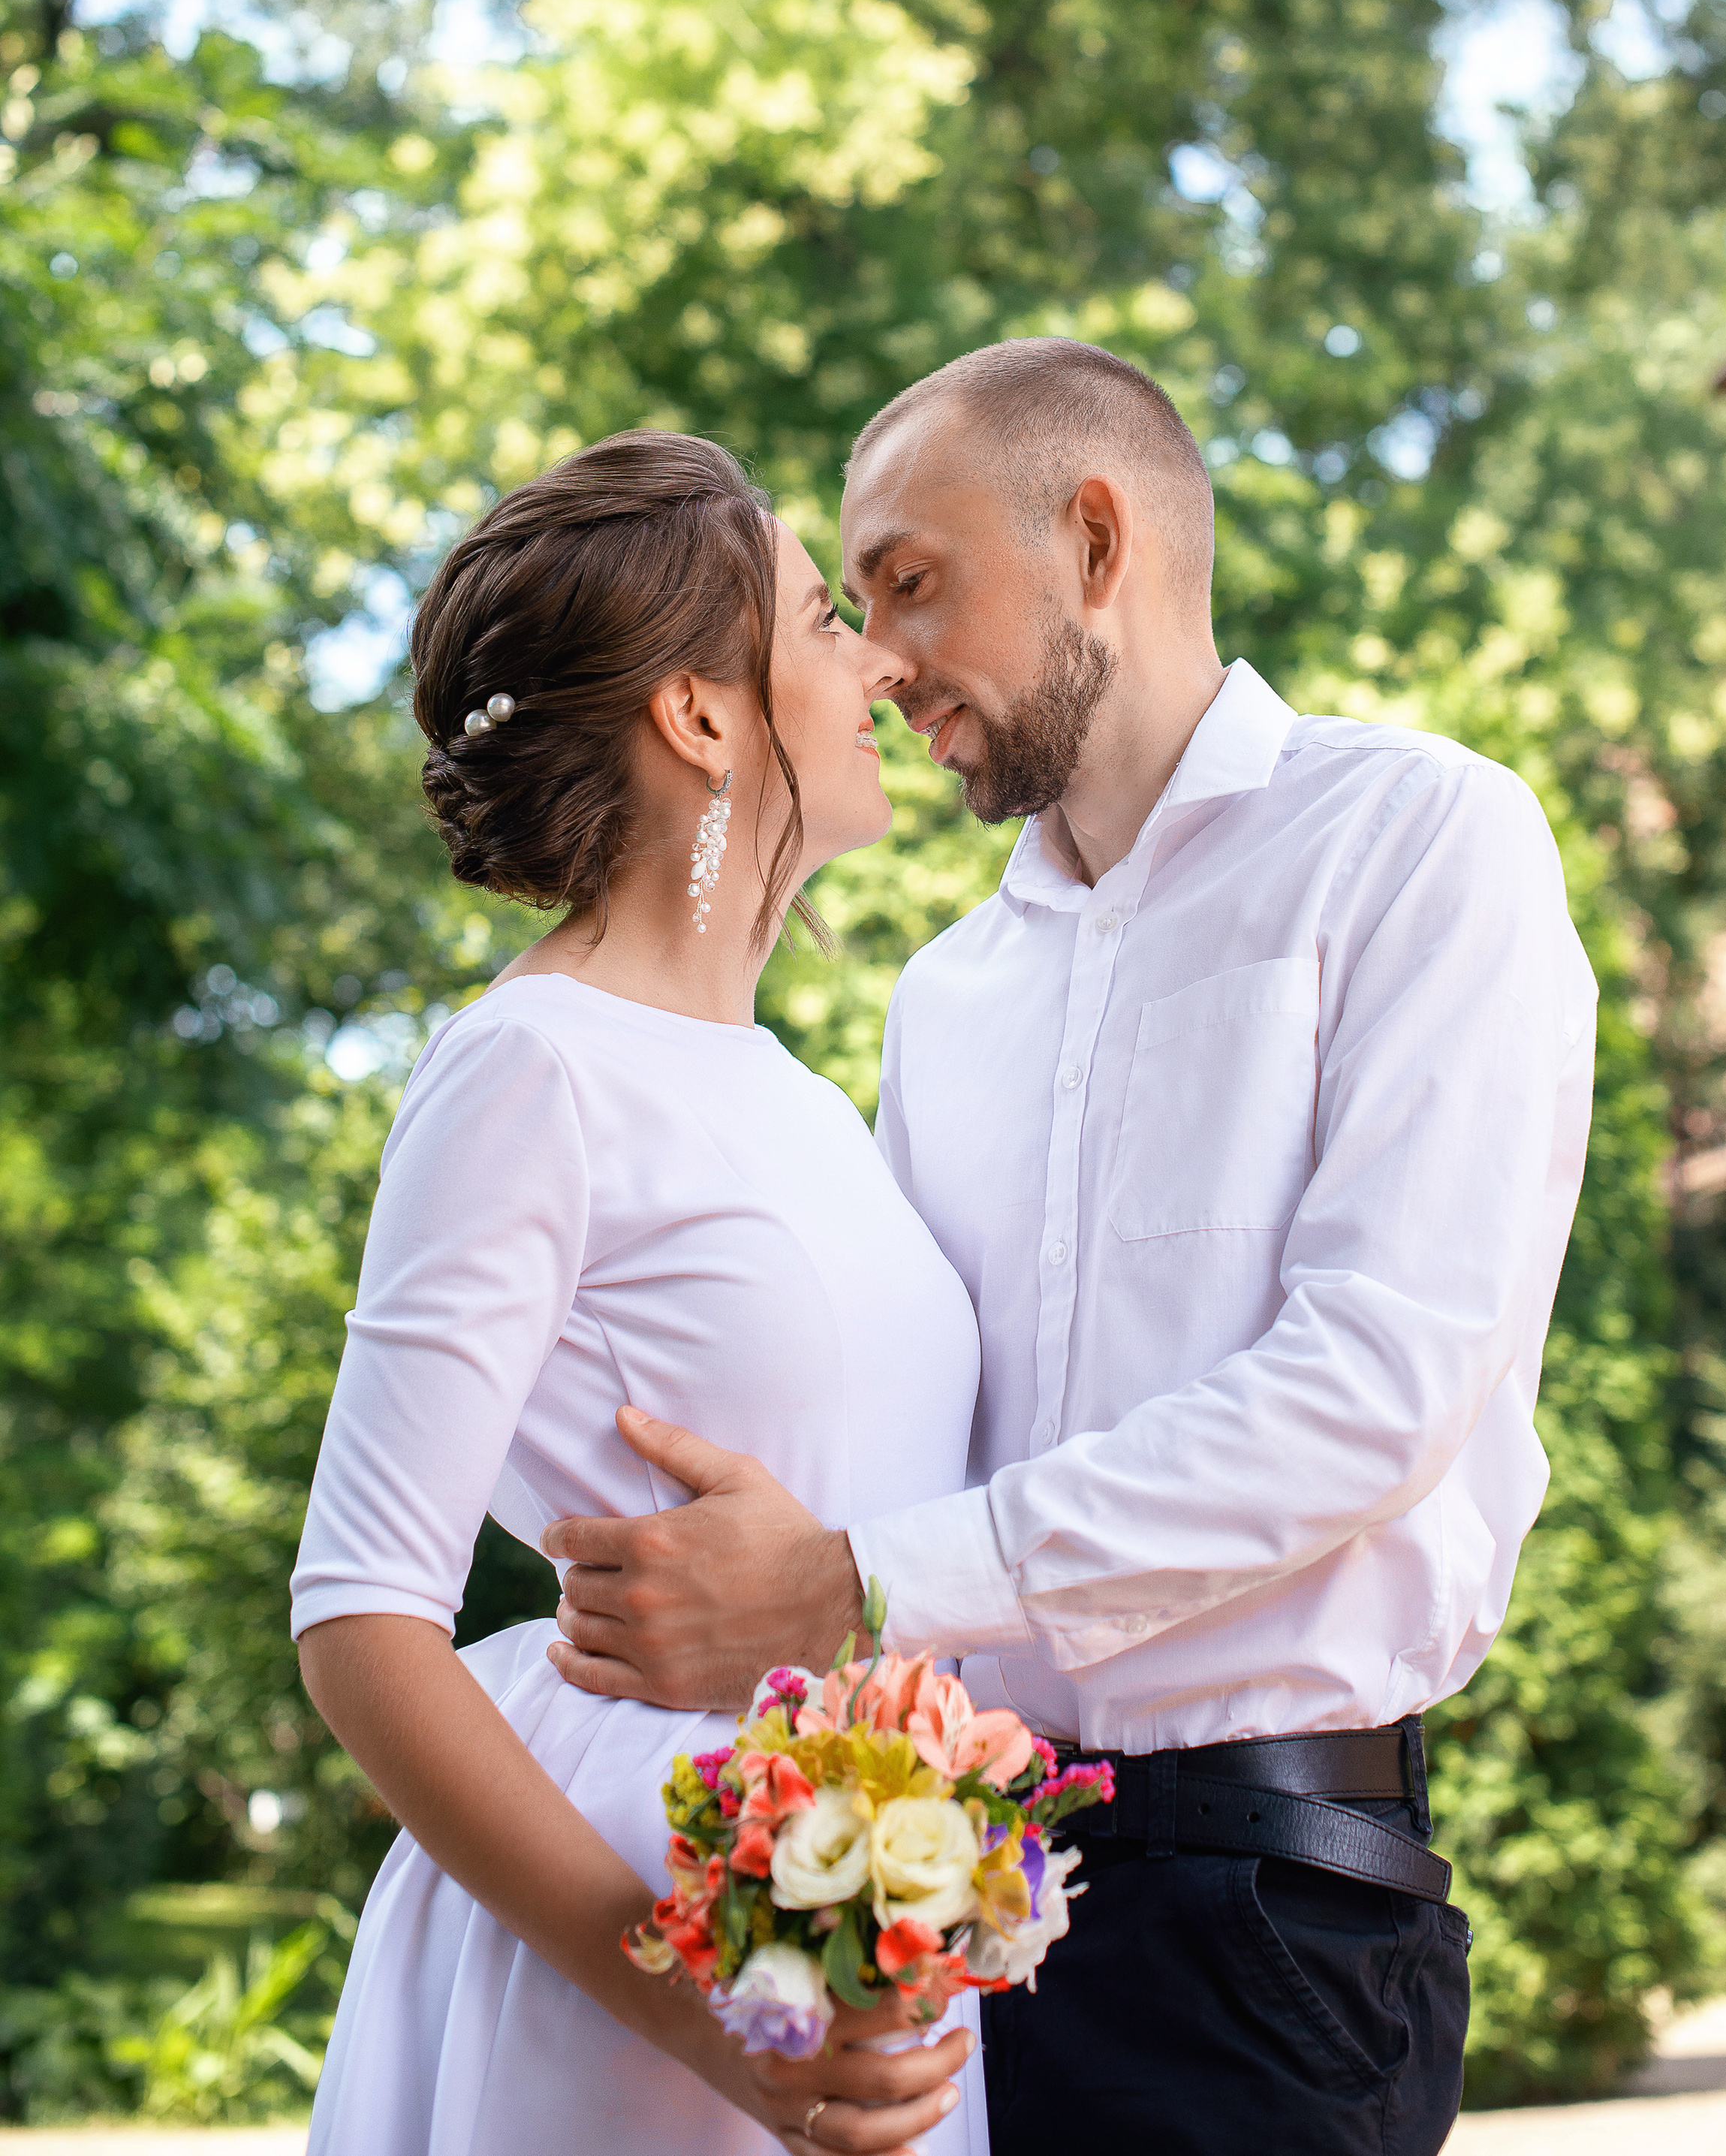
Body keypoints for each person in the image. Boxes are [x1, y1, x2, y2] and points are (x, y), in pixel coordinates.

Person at [541, 340, 1598, 2156]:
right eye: (856, 603)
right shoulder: (942, 1000)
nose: (871, 661)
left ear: (1094, 540)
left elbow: (1376, 1388)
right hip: (937, 1921)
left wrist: (859, 1578)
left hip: (1265, 1935)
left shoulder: (1421, 841)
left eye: (909, 581)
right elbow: (898, 1433)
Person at [291, 430, 985, 2156]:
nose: (879, 664)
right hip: (642, 1940)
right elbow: (360, 1619)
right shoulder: (530, 1068)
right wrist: (701, 2014)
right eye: (825, 620)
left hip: (860, 1909)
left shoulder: (806, 1097)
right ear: (699, 714)